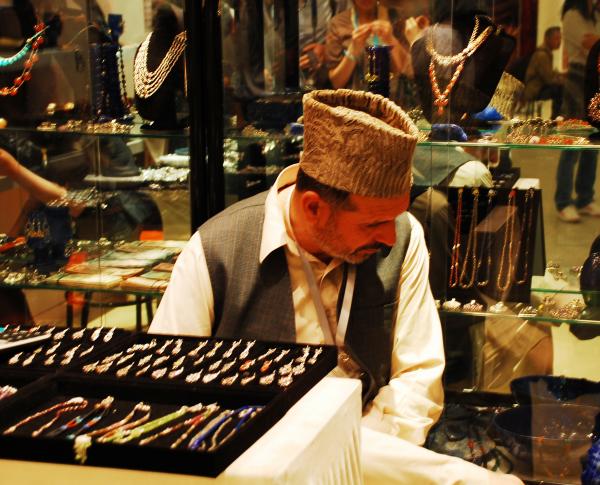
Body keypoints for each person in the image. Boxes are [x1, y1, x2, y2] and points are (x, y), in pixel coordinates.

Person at [150, 89, 522, 485]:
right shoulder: (215, 250)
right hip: (252, 457)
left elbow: (419, 378)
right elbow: (166, 392)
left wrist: (349, 453)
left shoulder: (403, 234)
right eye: (373, 223)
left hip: (374, 451)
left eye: (393, 217)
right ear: (313, 207)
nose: (389, 237)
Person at [555, 0, 600, 222]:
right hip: (577, 78)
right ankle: (563, 201)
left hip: (594, 77)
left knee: (593, 142)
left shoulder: (595, 16)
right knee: (572, 141)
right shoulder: (573, 15)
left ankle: (584, 198)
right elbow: (589, 44)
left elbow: (594, 44)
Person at [325, 0, 412, 91]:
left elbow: (409, 71)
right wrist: (352, 51)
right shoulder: (337, 24)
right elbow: (336, 83)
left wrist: (391, 40)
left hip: (392, 96)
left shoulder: (396, 18)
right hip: (354, 97)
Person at [523, 26, 564, 119]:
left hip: (539, 88)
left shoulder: (546, 54)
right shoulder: (542, 55)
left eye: (560, 38)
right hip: (535, 90)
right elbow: (549, 79)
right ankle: (555, 118)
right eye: (556, 38)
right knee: (560, 89)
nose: (559, 42)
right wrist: (562, 81)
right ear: (547, 39)